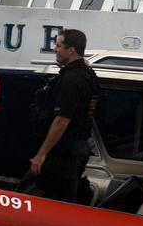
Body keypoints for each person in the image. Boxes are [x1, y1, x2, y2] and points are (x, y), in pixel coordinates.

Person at [30, 29, 99, 203]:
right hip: (78, 147)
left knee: (54, 199)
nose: (55, 49)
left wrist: (41, 154)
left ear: (71, 50)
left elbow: (61, 120)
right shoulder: (88, 75)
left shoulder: (72, 79)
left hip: (64, 152)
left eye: (59, 45)